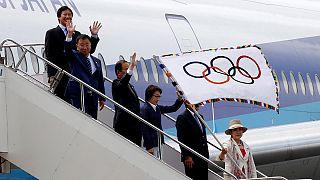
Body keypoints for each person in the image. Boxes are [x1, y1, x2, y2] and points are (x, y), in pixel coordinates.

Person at [45, 5, 101, 102]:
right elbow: (49, 54)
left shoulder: (77, 34)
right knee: (62, 100)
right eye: (65, 14)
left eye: (70, 14)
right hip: (60, 73)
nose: (67, 16)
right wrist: (51, 74)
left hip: (75, 73)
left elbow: (88, 51)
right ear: (59, 17)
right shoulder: (52, 33)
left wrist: (94, 36)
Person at [64, 22, 105, 119]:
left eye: (87, 45)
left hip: (93, 96)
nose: (84, 47)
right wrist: (69, 35)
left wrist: (102, 97)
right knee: (80, 118)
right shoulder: (74, 56)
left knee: (92, 120)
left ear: (91, 46)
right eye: (81, 45)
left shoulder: (97, 61)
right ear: (77, 46)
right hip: (79, 94)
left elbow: (99, 79)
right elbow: (68, 51)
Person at [140, 85, 183, 158]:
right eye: (156, 96)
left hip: (158, 140)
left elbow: (172, 108)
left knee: (159, 160)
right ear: (149, 95)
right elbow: (145, 129)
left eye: (159, 97)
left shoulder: (157, 108)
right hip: (152, 144)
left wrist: (179, 98)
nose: (158, 99)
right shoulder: (145, 109)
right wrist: (149, 146)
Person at [112, 54, 142, 146]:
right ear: (118, 72)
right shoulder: (116, 83)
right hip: (124, 125)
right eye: (126, 69)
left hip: (134, 124)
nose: (129, 71)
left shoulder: (130, 85)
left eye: (129, 68)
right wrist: (131, 67)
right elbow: (122, 85)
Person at [176, 103, 209, 180]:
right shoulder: (182, 117)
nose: (198, 105)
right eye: (195, 103)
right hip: (192, 157)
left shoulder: (200, 116)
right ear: (187, 103)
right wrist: (187, 155)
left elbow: (203, 135)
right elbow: (181, 139)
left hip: (203, 154)